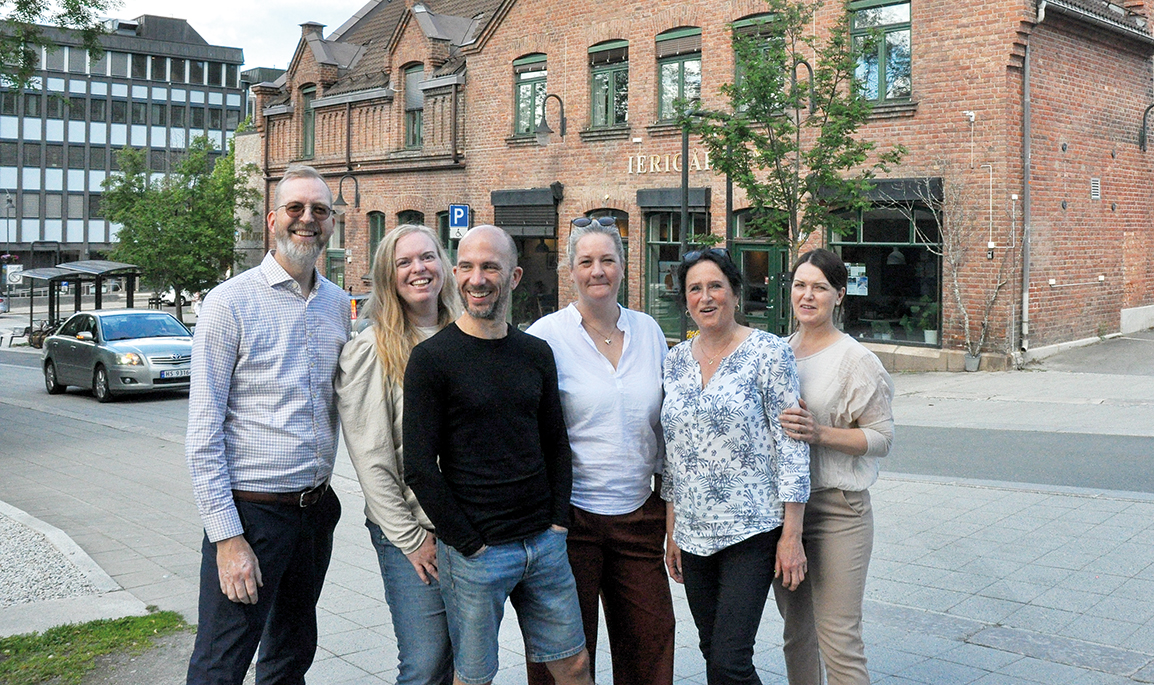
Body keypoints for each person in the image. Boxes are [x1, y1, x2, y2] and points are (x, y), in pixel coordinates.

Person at [402, 224, 594, 685]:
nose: (477, 278)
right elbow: (419, 467)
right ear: (454, 274)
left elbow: (556, 443)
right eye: (466, 266)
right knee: (474, 676)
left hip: (544, 544)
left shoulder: (535, 353)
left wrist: (557, 521)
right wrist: (468, 542)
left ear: (514, 276)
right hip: (476, 555)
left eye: (490, 266)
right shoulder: (432, 359)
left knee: (574, 664)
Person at [185, 164, 350, 684]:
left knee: (290, 657)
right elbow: (203, 434)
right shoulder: (229, 303)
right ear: (273, 219)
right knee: (221, 663)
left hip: (314, 512)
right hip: (251, 517)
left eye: (319, 211)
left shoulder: (336, 304)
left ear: (331, 223)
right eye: (297, 209)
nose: (308, 220)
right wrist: (226, 538)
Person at [525, 216, 675, 685]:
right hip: (569, 520)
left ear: (623, 266)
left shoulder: (649, 331)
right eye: (586, 261)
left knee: (651, 641)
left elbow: (668, 428)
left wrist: (671, 510)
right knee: (564, 651)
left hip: (638, 514)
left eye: (607, 259)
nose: (597, 271)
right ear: (570, 270)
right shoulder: (545, 336)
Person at [661, 248, 810, 685]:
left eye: (715, 287)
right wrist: (672, 530)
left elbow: (793, 447)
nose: (706, 297)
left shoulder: (769, 352)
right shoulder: (675, 360)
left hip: (752, 529)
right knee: (712, 653)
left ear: (735, 293)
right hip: (692, 533)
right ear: (685, 300)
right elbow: (674, 453)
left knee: (730, 660)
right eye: (694, 289)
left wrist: (791, 535)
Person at [335, 224, 460, 685]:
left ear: (443, 264)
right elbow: (372, 461)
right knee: (426, 664)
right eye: (403, 262)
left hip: (471, 530)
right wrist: (410, 539)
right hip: (414, 530)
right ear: (388, 278)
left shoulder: (467, 333)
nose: (418, 269)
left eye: (426, 257)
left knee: (466, 660)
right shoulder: (372, 349)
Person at [774, 248, 895, 685]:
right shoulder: (779, 352)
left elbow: (881, 438)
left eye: (819, 288)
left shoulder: (855, 359)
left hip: (839, 511)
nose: (808, 296)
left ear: (839, 295)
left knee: (839, 639)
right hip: (787, 515)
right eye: (800, 286)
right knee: (796, 636)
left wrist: (819, 433)